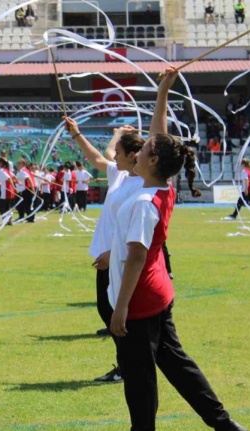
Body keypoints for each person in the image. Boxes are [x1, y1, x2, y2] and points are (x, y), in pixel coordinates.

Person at [109, 68, 247, 431]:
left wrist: (120, 308)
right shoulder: (161, 186)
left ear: (152, 161)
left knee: (140, 383)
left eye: (145, 150)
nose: (139, 150)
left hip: (140, 300)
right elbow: (161, 137)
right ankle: (224, 425)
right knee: (179, 367)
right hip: (158, 294)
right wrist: (162, 92)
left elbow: (136, 257)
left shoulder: (143, 200)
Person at [65, 119, 144, 383]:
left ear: (133, 156)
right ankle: (129, 363)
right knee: (106, 309)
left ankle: (128, 365)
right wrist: (77, 134)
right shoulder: (120, 174)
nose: (114, 156)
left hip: (119, 259)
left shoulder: (142, 185)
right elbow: (100, 157)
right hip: (106, 257)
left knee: (117, 314)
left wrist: (113, 253)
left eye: (119, 153)